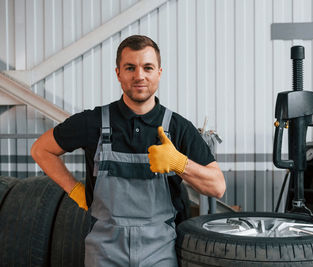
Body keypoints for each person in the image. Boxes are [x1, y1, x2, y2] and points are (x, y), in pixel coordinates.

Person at [31, 35, 226, 266]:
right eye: (130, 68)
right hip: (104, 253)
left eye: (148, 67)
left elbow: (218, 187)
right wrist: (73, 189)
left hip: (160, 252)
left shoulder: (177, 127)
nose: (139, 76)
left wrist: (180, 163)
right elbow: (41, 149)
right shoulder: (92, 122)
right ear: (118, 73)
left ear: (159, 73)